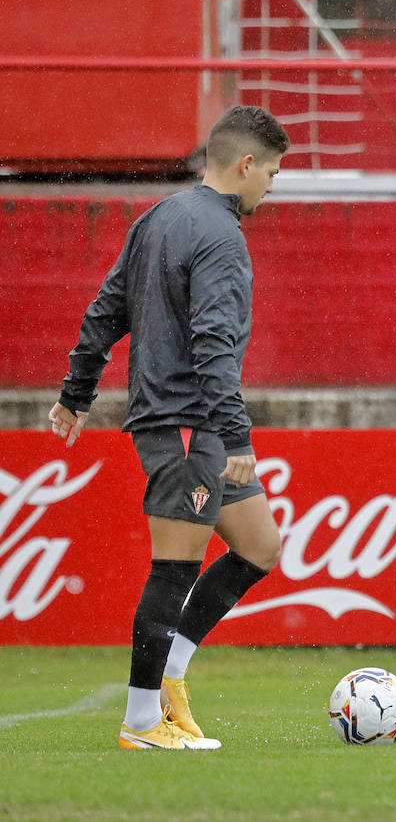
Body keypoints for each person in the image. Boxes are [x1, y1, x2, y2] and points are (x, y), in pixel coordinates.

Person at [49, 105, 290, 749]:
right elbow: (214, 341)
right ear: (245, 165)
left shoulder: (157, 217)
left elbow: (105, 310)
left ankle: (172, 678)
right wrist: (235, 436)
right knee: (174, 568)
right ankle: (141, 722)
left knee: (259, 547)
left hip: (192, 422)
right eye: (272, 170)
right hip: (190, 422)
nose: (272, 183)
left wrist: (76, 393)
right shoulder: (222, 235)